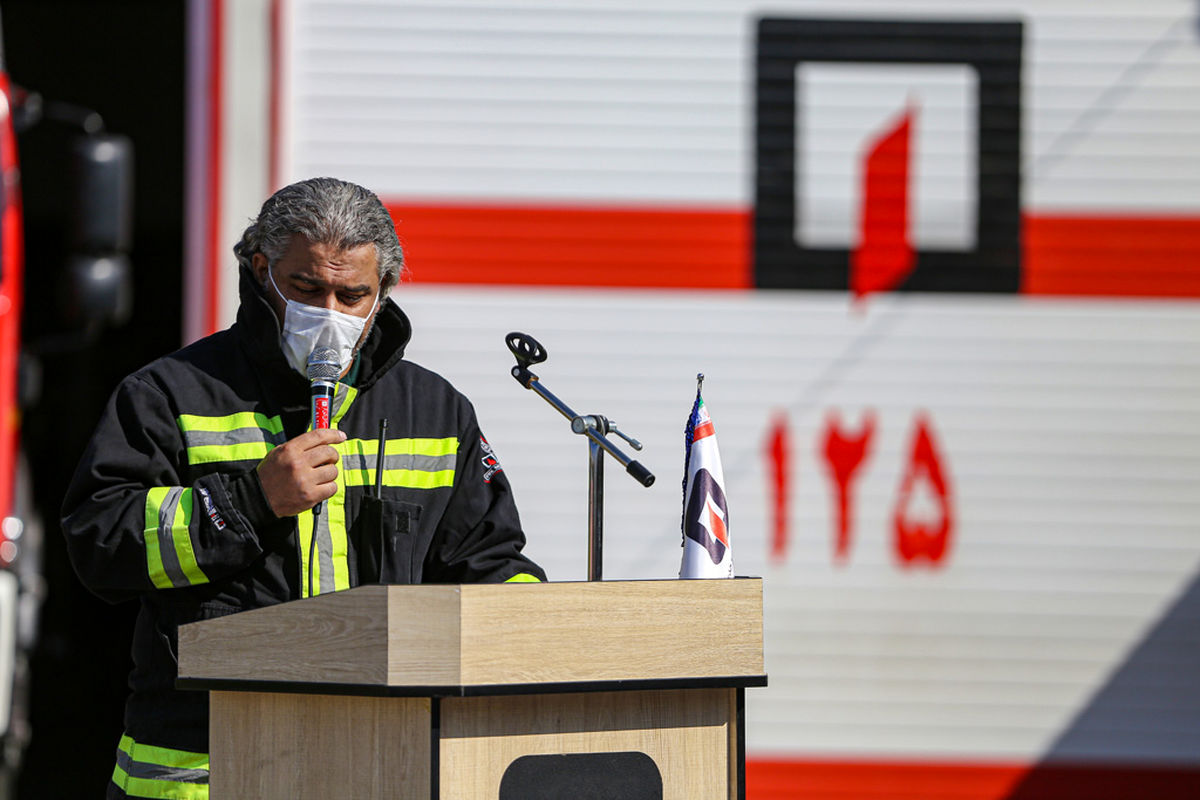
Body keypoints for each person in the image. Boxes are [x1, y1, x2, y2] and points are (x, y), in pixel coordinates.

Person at [61, 177, 546, 800]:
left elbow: (488, 563)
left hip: (380, 762)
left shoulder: (437, 411)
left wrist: (542, 624)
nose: (332, 314)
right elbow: (99, 544)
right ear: (262, 270)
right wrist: (249, 502)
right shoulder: (169, 393)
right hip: (205, 766)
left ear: (384, 292)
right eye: (308, 289)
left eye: (353, 295)